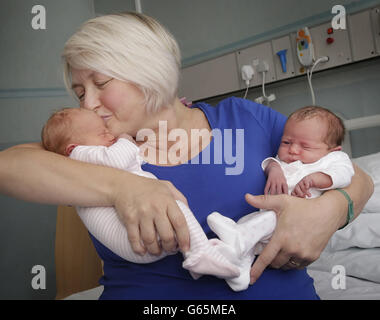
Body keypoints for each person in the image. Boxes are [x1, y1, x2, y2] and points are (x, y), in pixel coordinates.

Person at [0, 12, 373, 299]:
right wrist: (124, 187)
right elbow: (9, 166)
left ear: (148, 69)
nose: (89, 103)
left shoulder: (247, 120)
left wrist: (332, 210)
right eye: (81, 92)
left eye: (101, 83)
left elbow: (357, 177)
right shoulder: (95, 150)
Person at [41, 107, 240, 280]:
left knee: (170, 204)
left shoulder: (87, 157)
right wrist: (126, 140)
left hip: (140, 235)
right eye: (102, 133)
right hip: (135, 239)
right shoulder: (78, 156)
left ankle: (214, 250)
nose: (111, 135)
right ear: (72, 148)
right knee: (171, 205)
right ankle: (200, 253)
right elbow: (117, 159)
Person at [207, 106, 354, 291]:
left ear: (332, 150)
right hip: (268, 216)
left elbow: (345, 174)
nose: (292, 150)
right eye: (286, 142)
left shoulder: (334, 160)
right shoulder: (285, 159)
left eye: (305, 146)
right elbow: (270, 161)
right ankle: (239, 269)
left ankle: (238, 237)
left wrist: (316, 179)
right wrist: (274, 170)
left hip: (294, 222)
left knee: (266, 221)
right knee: (252, 222)